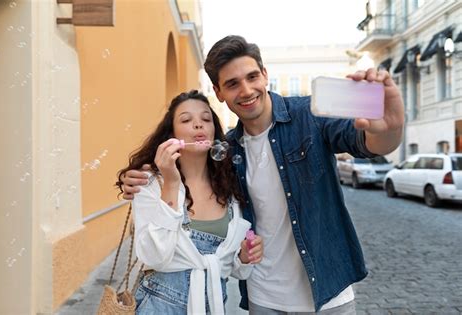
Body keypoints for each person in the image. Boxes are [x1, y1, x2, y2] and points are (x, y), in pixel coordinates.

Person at [120, 35, 405, 314]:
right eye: (232, 84)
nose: (245, 90)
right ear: (219, 93)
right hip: (265, 297)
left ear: (265, 75)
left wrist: (392, 127)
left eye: (252, 77)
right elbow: (189, 175)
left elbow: (368, 142)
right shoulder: (227, 153)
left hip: (329, 296)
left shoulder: (309, 116)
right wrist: (140, 177)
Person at [116, 90, 263, 314]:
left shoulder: (229, 189)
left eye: (206, 119)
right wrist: (171, 183)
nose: (198, 125)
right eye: (186, 120)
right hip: (158, 307)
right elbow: (154, 257)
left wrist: (244, 256)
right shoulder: (149, 184)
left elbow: (232, 270)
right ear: (171, 134)